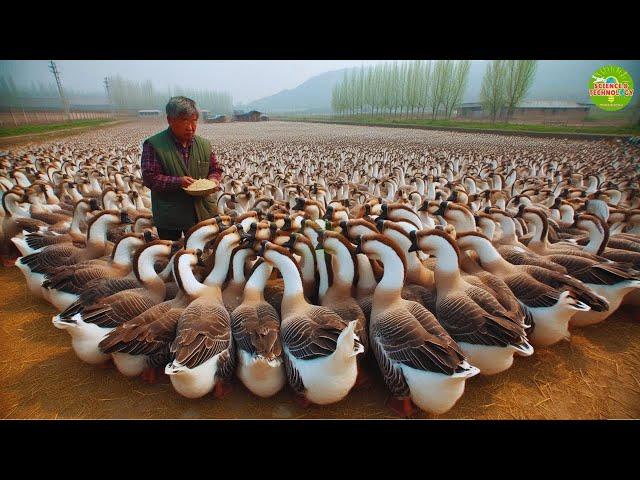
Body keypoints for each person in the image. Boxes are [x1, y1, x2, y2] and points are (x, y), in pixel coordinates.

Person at [141, 96, 223, 241]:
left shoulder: (204, 145)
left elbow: (215, 169)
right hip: (170, 217)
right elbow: (150, 178)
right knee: (173, 255)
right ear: (170, 120)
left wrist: (213, 180)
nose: (190, 127)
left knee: (201, 255)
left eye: (194, 121)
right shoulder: (154, 145)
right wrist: (178, 182)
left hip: (202, 213)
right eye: (185, 120)